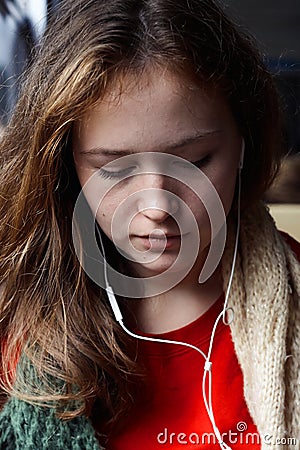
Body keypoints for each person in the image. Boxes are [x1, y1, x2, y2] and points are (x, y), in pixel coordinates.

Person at [0, 0, 299, 449]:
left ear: (244, 143)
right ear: (65, 166)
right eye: (115, 169)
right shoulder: (14, 318)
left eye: (195, 161)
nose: (157, 206)